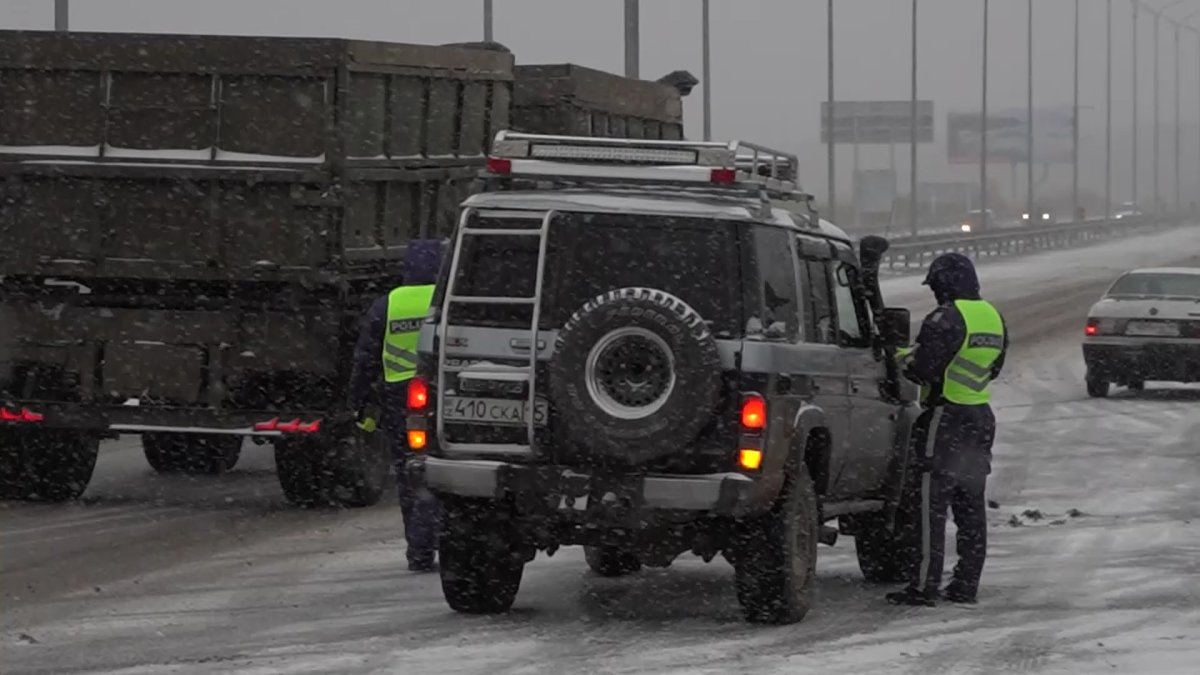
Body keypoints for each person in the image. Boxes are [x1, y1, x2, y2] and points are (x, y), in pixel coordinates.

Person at [886, 252, 1008, 607]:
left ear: (944, 283)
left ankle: (923, 586)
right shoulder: (993, 316)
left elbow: (922, 369)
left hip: (945, 418)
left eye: (936, 285)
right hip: (980, 417)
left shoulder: (945, 317)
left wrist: (902, 357)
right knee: (970, 506)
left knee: (929, 505)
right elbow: (993, 367)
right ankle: (966, 584)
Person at [349, 240, 445, 572]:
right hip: (442, 392)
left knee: (411, 472)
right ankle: (449, 539)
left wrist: (359, 399)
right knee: (448, 468)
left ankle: (419, 550)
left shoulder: (388, 304)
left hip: (399, 399)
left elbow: (365, 358)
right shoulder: (447, 298)